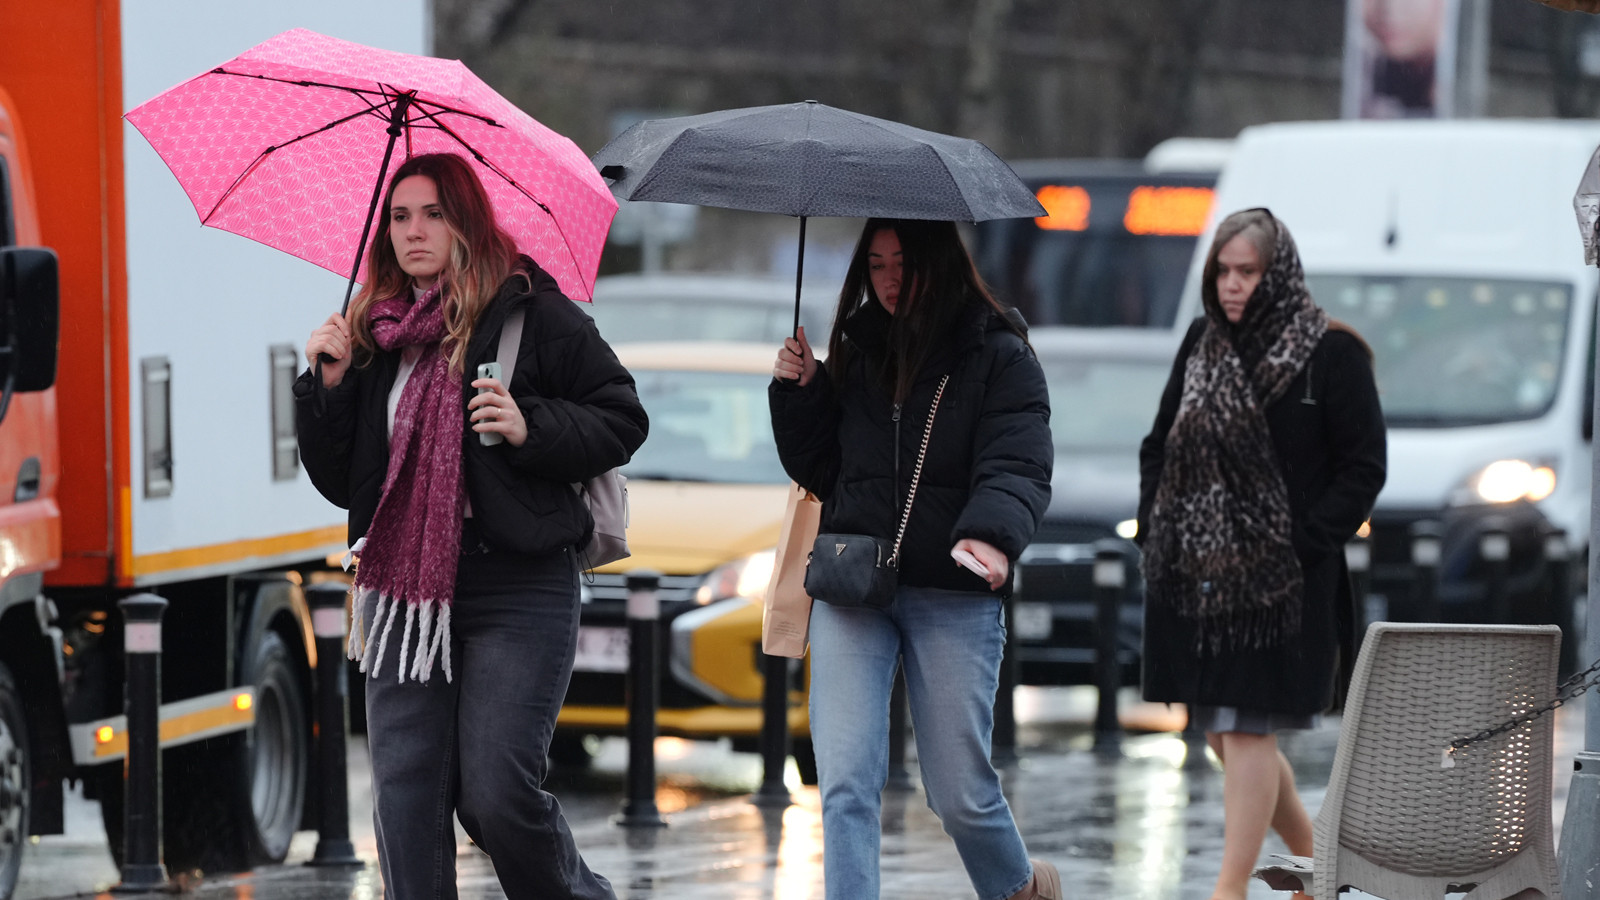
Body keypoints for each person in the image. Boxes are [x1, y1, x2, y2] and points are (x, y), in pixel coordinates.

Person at [295, 151, 646, 900]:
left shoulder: (532, 311)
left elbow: (623, 415)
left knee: (495, 792)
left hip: (515, 583)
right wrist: (325, 387)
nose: (413, 231)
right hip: (402, 590)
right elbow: (344, 484)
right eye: (399, 217)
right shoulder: (372, 333)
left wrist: (531, 424)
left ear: (466, 222)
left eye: (433, 214)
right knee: (408, 800)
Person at [770, 218, 1059, 900]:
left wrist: (991, 533)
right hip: (853, 587)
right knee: (843, 784)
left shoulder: (999, 355)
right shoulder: (861, 350)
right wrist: (802, 392)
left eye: (902, 262)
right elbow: (824, 471)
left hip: (952, 589)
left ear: (939, 263)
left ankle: (1019, 888)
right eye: (875, 264)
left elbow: (1019, 461)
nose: (889, 279)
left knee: (958, 793)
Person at [1136, 208, 1386, 900]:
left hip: (1284, 585)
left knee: (1244, 729)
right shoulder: (1201, 343)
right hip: (1200, 578)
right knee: (1223, 735)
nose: (1232, 285)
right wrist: (1160, 527)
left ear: (1278, 274)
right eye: (1224, 270)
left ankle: (1230, 888)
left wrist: (1300, 545)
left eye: (1247, 271)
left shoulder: (1331, 354)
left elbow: (1363, 469)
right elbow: (1159, 444)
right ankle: (1315, 866)